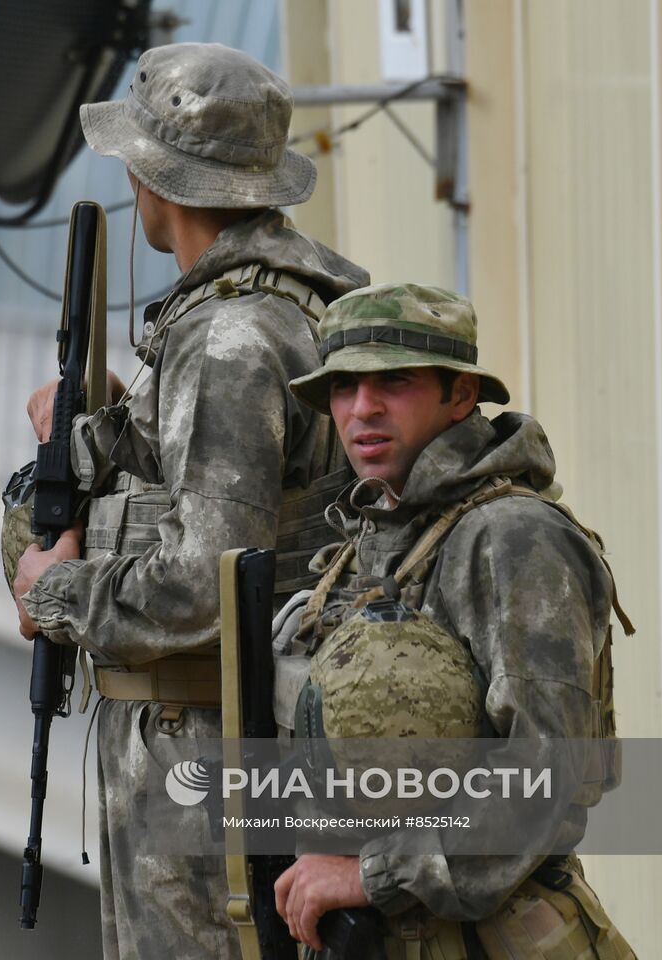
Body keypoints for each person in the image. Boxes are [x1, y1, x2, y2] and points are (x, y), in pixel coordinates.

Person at [12, 42, 368, 960]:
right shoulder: (301, 303)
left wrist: (52, 592)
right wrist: (86, 435)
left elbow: (210, 584)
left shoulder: (229, 342)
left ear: (153, 182)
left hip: (208, 752)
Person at [271, 282, 637, 958]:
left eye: (396, 382)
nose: (363, 409)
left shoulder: (510, 538)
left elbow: (545, 773)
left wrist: (372, 874)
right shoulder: (378, 534)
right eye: (344, 388)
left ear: (461, 396)